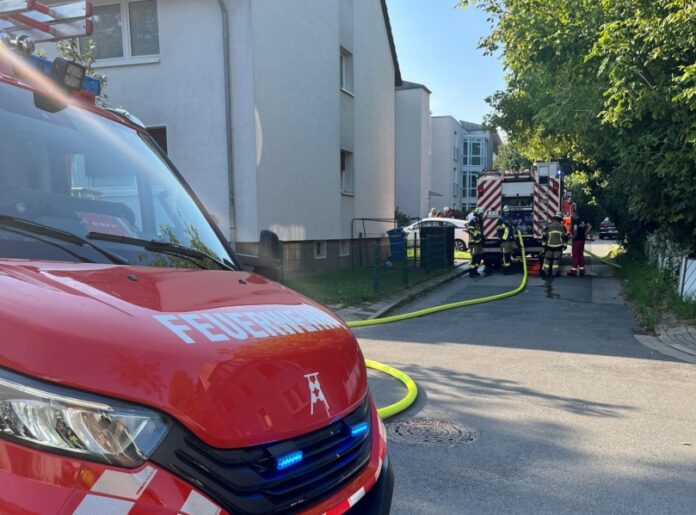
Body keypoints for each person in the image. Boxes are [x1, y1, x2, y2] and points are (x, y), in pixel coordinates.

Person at [541, 212, 567, 277]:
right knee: (556, 260)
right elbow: (565, 237)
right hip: (558, 246)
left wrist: (544, 245)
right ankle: (554, 273)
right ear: (560, 219)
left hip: (549, 245)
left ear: (554, 218)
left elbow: (544, 236)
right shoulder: (562, 227)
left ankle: (546, 272)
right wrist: (565, 245)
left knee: (547, 259)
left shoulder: (548, 226)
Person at [496, 205, 515, 275]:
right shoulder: (501, 219)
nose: (507, 213)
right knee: (506, 255)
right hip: (505, 240)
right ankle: (506, 271)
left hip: (510, 239)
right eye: (506, 212)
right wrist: (503, 226)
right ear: (503, 212)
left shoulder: (509, 218)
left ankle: (509, 269)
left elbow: (511, 227)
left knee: (510, 254)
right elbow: (497, 228)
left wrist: (514, 225)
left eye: (508, 212)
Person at [466, 208, 485, 277]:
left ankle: (475, 270)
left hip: (479, 243)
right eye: (481, 214)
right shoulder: (473, 221)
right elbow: (469, 229)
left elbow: (480, 231)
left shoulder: (479, 222)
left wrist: (482, 237)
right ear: (478, 214)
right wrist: (475, 234)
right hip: (473, 243)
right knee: (474, 257)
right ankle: (471, 272)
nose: (482, 215)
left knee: (479, 257)